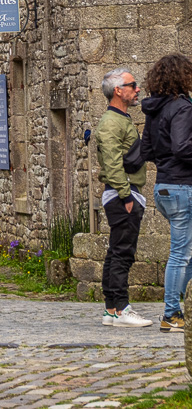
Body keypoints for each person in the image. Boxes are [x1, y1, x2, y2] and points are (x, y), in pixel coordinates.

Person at [96, 67, 151, 327]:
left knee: (116, 251)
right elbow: (112, 162)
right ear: (118, 90)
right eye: (133, 85)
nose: (137, 89)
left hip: (124, 192)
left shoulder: (121, 119)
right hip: (122, 194)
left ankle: (111, 310)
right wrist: (126, 195)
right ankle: (122, 309)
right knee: (123, 253)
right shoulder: (110, 123)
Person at [141, 54, 192, 331]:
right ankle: (171, 313)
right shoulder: (181, 107)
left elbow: (147, 150)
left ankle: (185, 305)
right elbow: (182, 147)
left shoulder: (155, 108)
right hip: (182, 188)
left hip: (163, 187)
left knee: (186, 252)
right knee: (180, 254)